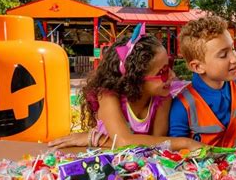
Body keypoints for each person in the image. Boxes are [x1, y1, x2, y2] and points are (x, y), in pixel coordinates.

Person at [49, 23, 202, 151]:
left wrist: (97, 139)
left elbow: (156, 146)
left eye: (169, 66)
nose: (172, 75)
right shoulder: (108, 96)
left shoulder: (162, 99)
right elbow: (123, 141)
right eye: (162, 72)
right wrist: (185, 143)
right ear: (136, 78)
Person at [168, 16, 236, 148]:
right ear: (198, 67)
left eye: (232, 49)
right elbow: (177, 151)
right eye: (223, 55)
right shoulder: (182, 105)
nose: (234, 59)